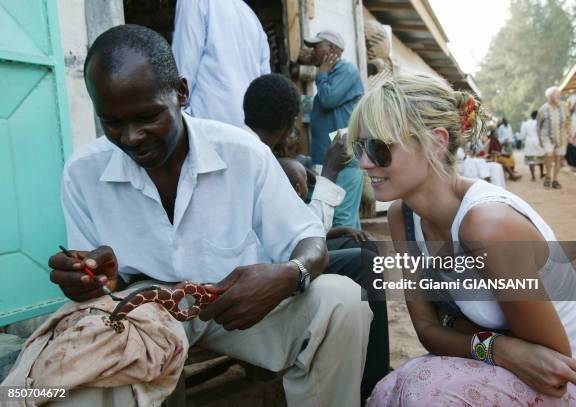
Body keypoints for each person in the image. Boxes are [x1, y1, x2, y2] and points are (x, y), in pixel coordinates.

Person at [44, 25, 371, 407]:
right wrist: (94, 279)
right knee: (72, 389)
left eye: (147, 116)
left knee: (342, 300)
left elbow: (310, 239)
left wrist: (289, 275)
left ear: (181, 93)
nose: (131, 137)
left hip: (238, 311)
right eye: (113, 123)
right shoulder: (83, 173)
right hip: (145, 317)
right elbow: (101, 289)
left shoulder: (241, 152)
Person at [348, 73, 576, 406]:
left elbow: (549, 366)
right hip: (530, 376)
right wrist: (497, 346)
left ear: (436, 142)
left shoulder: (488, 226)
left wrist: (458, 326)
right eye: (360, 147)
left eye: (378, 148)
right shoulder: (402, 216)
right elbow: (427, 329)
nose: (363, 162)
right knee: (392, 389)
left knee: (425, 392)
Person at [244, 73, 390, 400]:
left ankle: (371, 366)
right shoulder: (259, 159)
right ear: (289, 122)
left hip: (276, 257)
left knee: (357, 247)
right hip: (272, 270)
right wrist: (332, 171)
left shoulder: (255, 152)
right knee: (367, 262)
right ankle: (373, 380)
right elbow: (303, 240)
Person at [171, 0, 270, 127]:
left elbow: (183, 69)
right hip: (247, 132)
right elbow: (264, 87)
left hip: (207, 127)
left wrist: (177, 123)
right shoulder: (251, 17)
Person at [305, 30, 365, 229]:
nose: (313, 50)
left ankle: (354, 257)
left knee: (341, 220)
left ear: (332, 49)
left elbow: (329, 99)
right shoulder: (331, 75)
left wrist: (321, 74)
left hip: (344, 159)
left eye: (317, 45)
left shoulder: (346, 71)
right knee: (344, 219)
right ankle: (359, 256)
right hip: (333, 160)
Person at [538, 86, 570, 189]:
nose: (559, 96)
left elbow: (568, 120)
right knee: (549, 153)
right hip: (547, 136)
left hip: (561, 136)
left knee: (559, 158)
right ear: (550, 96)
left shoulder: (564, 107)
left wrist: (569, 133)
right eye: (556, 94)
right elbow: (538, 126)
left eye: (559, 94)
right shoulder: (543, 109)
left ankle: (555, 180)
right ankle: (548, 175)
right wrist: (539, 140)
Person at [522, 110, 546, 181]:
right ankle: (541, 173)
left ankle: (533, 176)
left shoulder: (526, 123)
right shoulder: (540, 123)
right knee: (540, 157)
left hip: (529, 141)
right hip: (538, 140)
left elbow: (523, 134)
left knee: (531, 160)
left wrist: (524, 141)